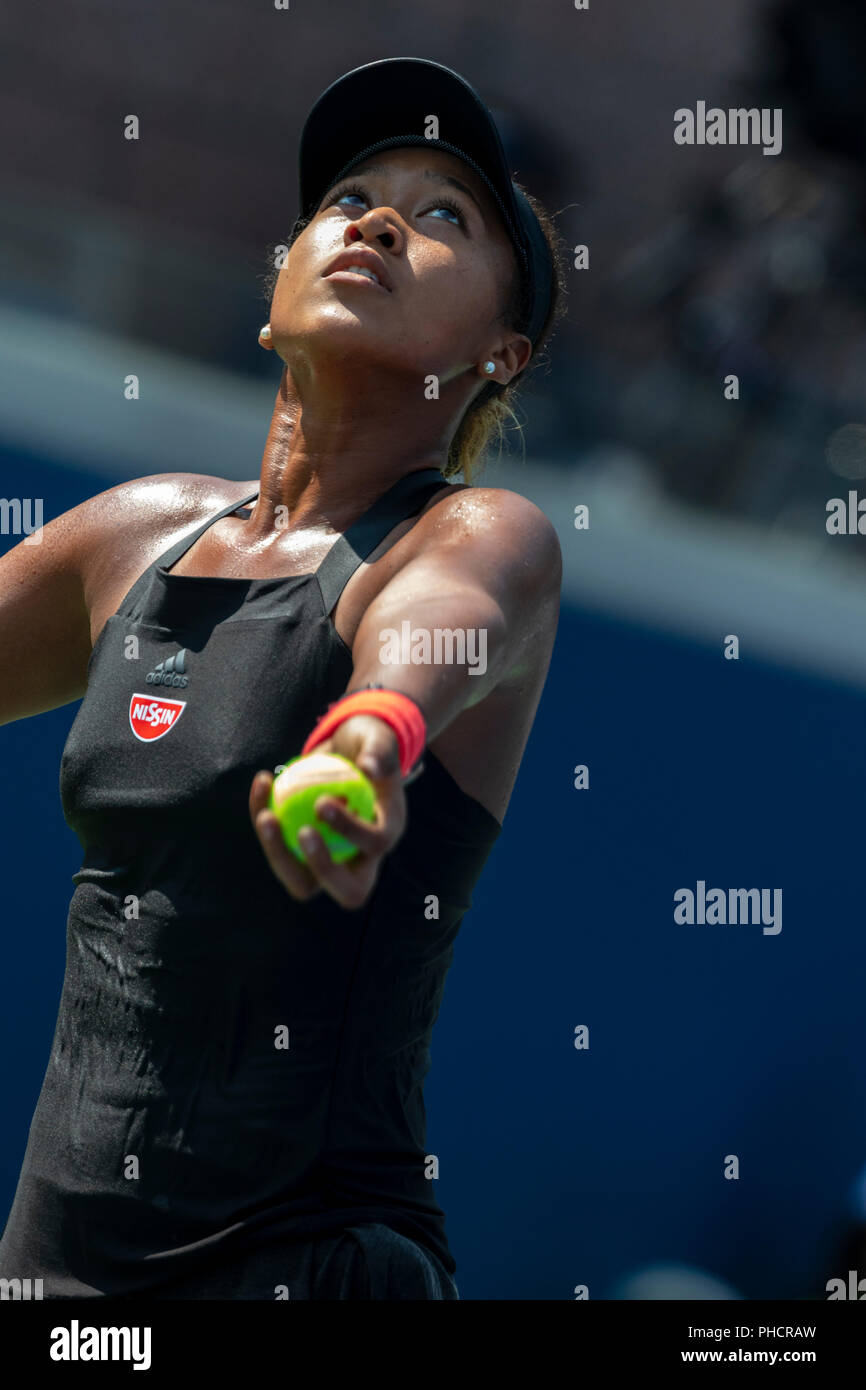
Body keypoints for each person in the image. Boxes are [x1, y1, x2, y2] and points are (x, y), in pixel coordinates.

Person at [0, 57, 564, 1299]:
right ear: (273, 300)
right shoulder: (132, 536)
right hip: (59, 1284)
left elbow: (438, 627)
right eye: (349, 199)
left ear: (499, 355)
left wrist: (362, 741)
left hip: (306, 1266)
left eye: (440, 217)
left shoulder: (477, 537)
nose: (373, 220)